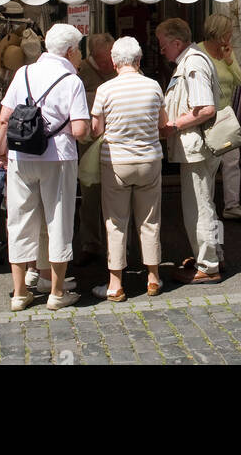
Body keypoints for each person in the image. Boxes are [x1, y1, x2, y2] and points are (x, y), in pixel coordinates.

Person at [0, 23, 90, 311]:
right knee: (58, 220)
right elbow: (79, 129)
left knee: (20, 221)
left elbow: (3, 120)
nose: (81, 58)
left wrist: (0, 156)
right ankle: (57, 292)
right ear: (71, 51)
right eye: (79, 52)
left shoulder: (23, 73)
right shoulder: (73, 81)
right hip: (58, 159)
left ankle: (21, 292)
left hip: (20, 157)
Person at [89, 36, 167, 301]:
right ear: (139, 60)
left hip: (116, 162)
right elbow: (162, 124)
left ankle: (116, 284)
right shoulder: (154, 86)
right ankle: (153, 278)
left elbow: (96, 129)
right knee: (149, 221)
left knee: (115, 222)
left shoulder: (105, 90)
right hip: (149, 160)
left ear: (113, 62)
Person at [156, 17, 222, 283]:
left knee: (199, 205)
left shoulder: (192, 62)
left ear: (176, 42)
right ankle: (213, 255)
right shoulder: (192, 60)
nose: (161, 51)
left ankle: (208, 266)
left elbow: (206, 108)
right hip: (198, 147)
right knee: (206, 203)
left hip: (197, 147)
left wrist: (173, 125)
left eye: (163, 46)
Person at [199, 12, 241, 222]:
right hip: (206, 117)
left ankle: (232, 205)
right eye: (228, 33)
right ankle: (207, 207)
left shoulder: (226, 53)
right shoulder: (199, 51)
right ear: (219, 33)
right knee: (209, 166)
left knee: (232, 162)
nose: (230, 36)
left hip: (226, 116)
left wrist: (230, 60)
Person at [74, 31, 116, 263]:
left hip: (116, 139)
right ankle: (90, 243)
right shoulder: (81, 72)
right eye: (103, 59)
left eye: (110, 58)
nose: (109, 64)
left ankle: (117, 244)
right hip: (89, 142)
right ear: (92, 56)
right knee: (90, 194)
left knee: (116, 193)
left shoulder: (120, 66)